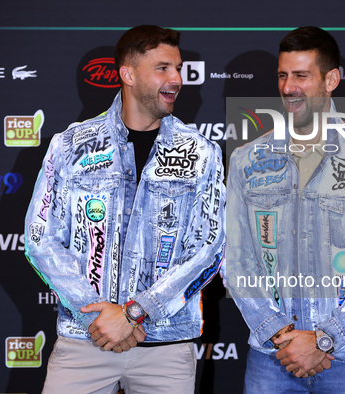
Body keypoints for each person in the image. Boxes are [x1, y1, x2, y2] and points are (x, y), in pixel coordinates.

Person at [24, 25, 225, 393]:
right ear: (128, 74)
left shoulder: (201, 153)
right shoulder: (70, 146)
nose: (177, 79)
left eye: (178, 68)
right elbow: (41, 240)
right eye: (163, 68)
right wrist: (99, 317)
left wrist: (135, 312)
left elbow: (209, 249)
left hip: (165, 345)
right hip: (86, 340)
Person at [225, 26, 345, 393]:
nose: (289, 87)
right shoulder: (247, 160)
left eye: (301, 76)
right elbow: (236, 261)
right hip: (272, 357)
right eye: (282, 75)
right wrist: (281, 335)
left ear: (331, 80)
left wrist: (325, 339)